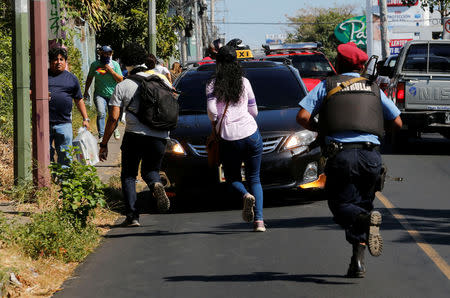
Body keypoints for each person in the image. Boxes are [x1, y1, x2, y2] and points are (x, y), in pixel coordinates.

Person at [296, 42, 403, 278]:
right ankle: (357, 262)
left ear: (338, 64)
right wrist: (373, 127)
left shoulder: (327, 85)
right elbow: (398, 122)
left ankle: (364, 220)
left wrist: (320, 127)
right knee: (363, 204)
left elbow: (302, 116)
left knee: (340, 205)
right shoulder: (373, 87)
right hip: (371, 157)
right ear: (362, 66)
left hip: (341, 155)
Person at [98, 43, 171, 227]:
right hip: (160, 135)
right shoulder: (163, 80)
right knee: (151, 171)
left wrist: (104, 142)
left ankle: (132, 216)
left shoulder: (123, 85)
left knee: (129, 175)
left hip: (134, 135)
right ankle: (156, 184)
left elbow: (114, 118)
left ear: (125, 63)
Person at [206, 45, 265, 232]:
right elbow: (254, 110)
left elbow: (212, 110)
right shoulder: (244, 82)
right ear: (236, 62)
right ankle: (260, 222)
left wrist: (216, 123)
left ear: (218, 63)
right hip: (251, 133)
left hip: (228, 137)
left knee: (232, 177)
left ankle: (245, 195)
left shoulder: (212, 84)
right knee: (255, 178)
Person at [48, 47, 90, 166]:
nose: (59, 62)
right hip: (44, 123)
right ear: (50, 61)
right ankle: (48, 177)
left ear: (65, 62)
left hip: (64, 123)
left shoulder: (71, 78)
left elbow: (79, 99)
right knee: (46, 153)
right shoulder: (41, 77)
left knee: (65, 153)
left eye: (62, 59)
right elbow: (29, 93)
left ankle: (64, 180)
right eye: (55, 59)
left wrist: (85, 118)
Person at [84, 45, 123, 142]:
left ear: (111, 54)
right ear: (100, 54)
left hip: (113, 94)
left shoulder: (115, 65)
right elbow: (89, 78)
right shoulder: (95, 65)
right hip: (99, 94)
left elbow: (120, 79)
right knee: (101, 113)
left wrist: (110, 70)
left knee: (113, 116)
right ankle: (101, 135)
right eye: (104, 54)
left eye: (108, 54)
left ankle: (115, 128)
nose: (106, 55)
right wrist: (86, 91)